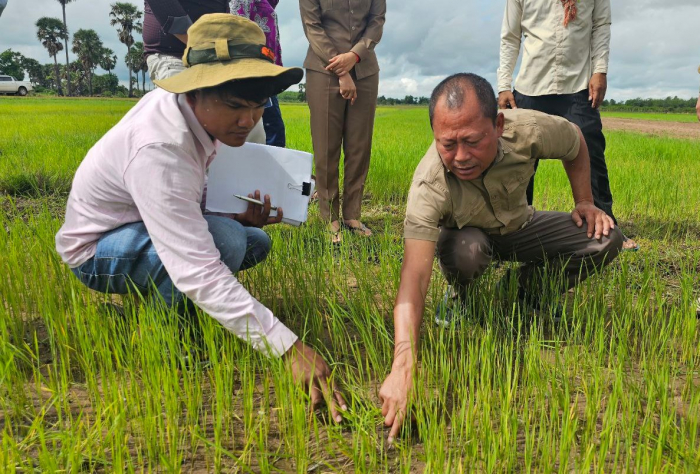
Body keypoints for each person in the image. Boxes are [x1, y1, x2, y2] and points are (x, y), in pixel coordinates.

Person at [56, 14, 346, 420]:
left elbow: (188, 205)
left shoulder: (199, 122)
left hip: (141, 228)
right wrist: (287, 348)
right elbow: (196, 268)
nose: (248, 121)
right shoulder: (161, 147)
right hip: (97, 249)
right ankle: (166, 343)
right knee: (224, 242)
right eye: (234, 106)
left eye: (257, 107)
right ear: (195, 91)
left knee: (252, 240)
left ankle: (153, 304)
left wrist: (239, 216)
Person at [378, 73, 623, 442]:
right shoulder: (429, 185)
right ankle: (461, 296)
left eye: (473, 141)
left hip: (520, 227)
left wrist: (585, 202)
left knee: (606, 238)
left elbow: (575, 141)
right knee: (467, 251)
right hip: (468, 239)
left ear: (497, 125)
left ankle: (523, 292)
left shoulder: (528, 130)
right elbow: (414, 277)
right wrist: (403, 363)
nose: (461, 157)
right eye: (448, 144)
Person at [497, 0, 638, 251]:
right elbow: (510, 36)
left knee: (592, 149)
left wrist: (600, 70)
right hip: (530, 86)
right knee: (518, 156)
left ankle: (606, 225)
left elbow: (601, 26)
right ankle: (514, 228)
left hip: (578, 84)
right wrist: (503, 86)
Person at [299, 0, 386, 243]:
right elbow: (312, 26)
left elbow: (376, 21)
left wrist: (355, 55)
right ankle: (329, 217)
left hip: (365, 69)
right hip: (323, 68)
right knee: (326, 146)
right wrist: (342, 68)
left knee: (359, 146)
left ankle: (352, 215)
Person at [143, 0, 266, 143]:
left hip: (217, 55)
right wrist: (206, 46)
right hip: (175, 53)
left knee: (252, 130)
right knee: (183, 120)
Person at [231, 0, 287, 147]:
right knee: (271, 131)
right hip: (251, 72)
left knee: (272, 130)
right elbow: (237, 26)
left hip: (265, 70)